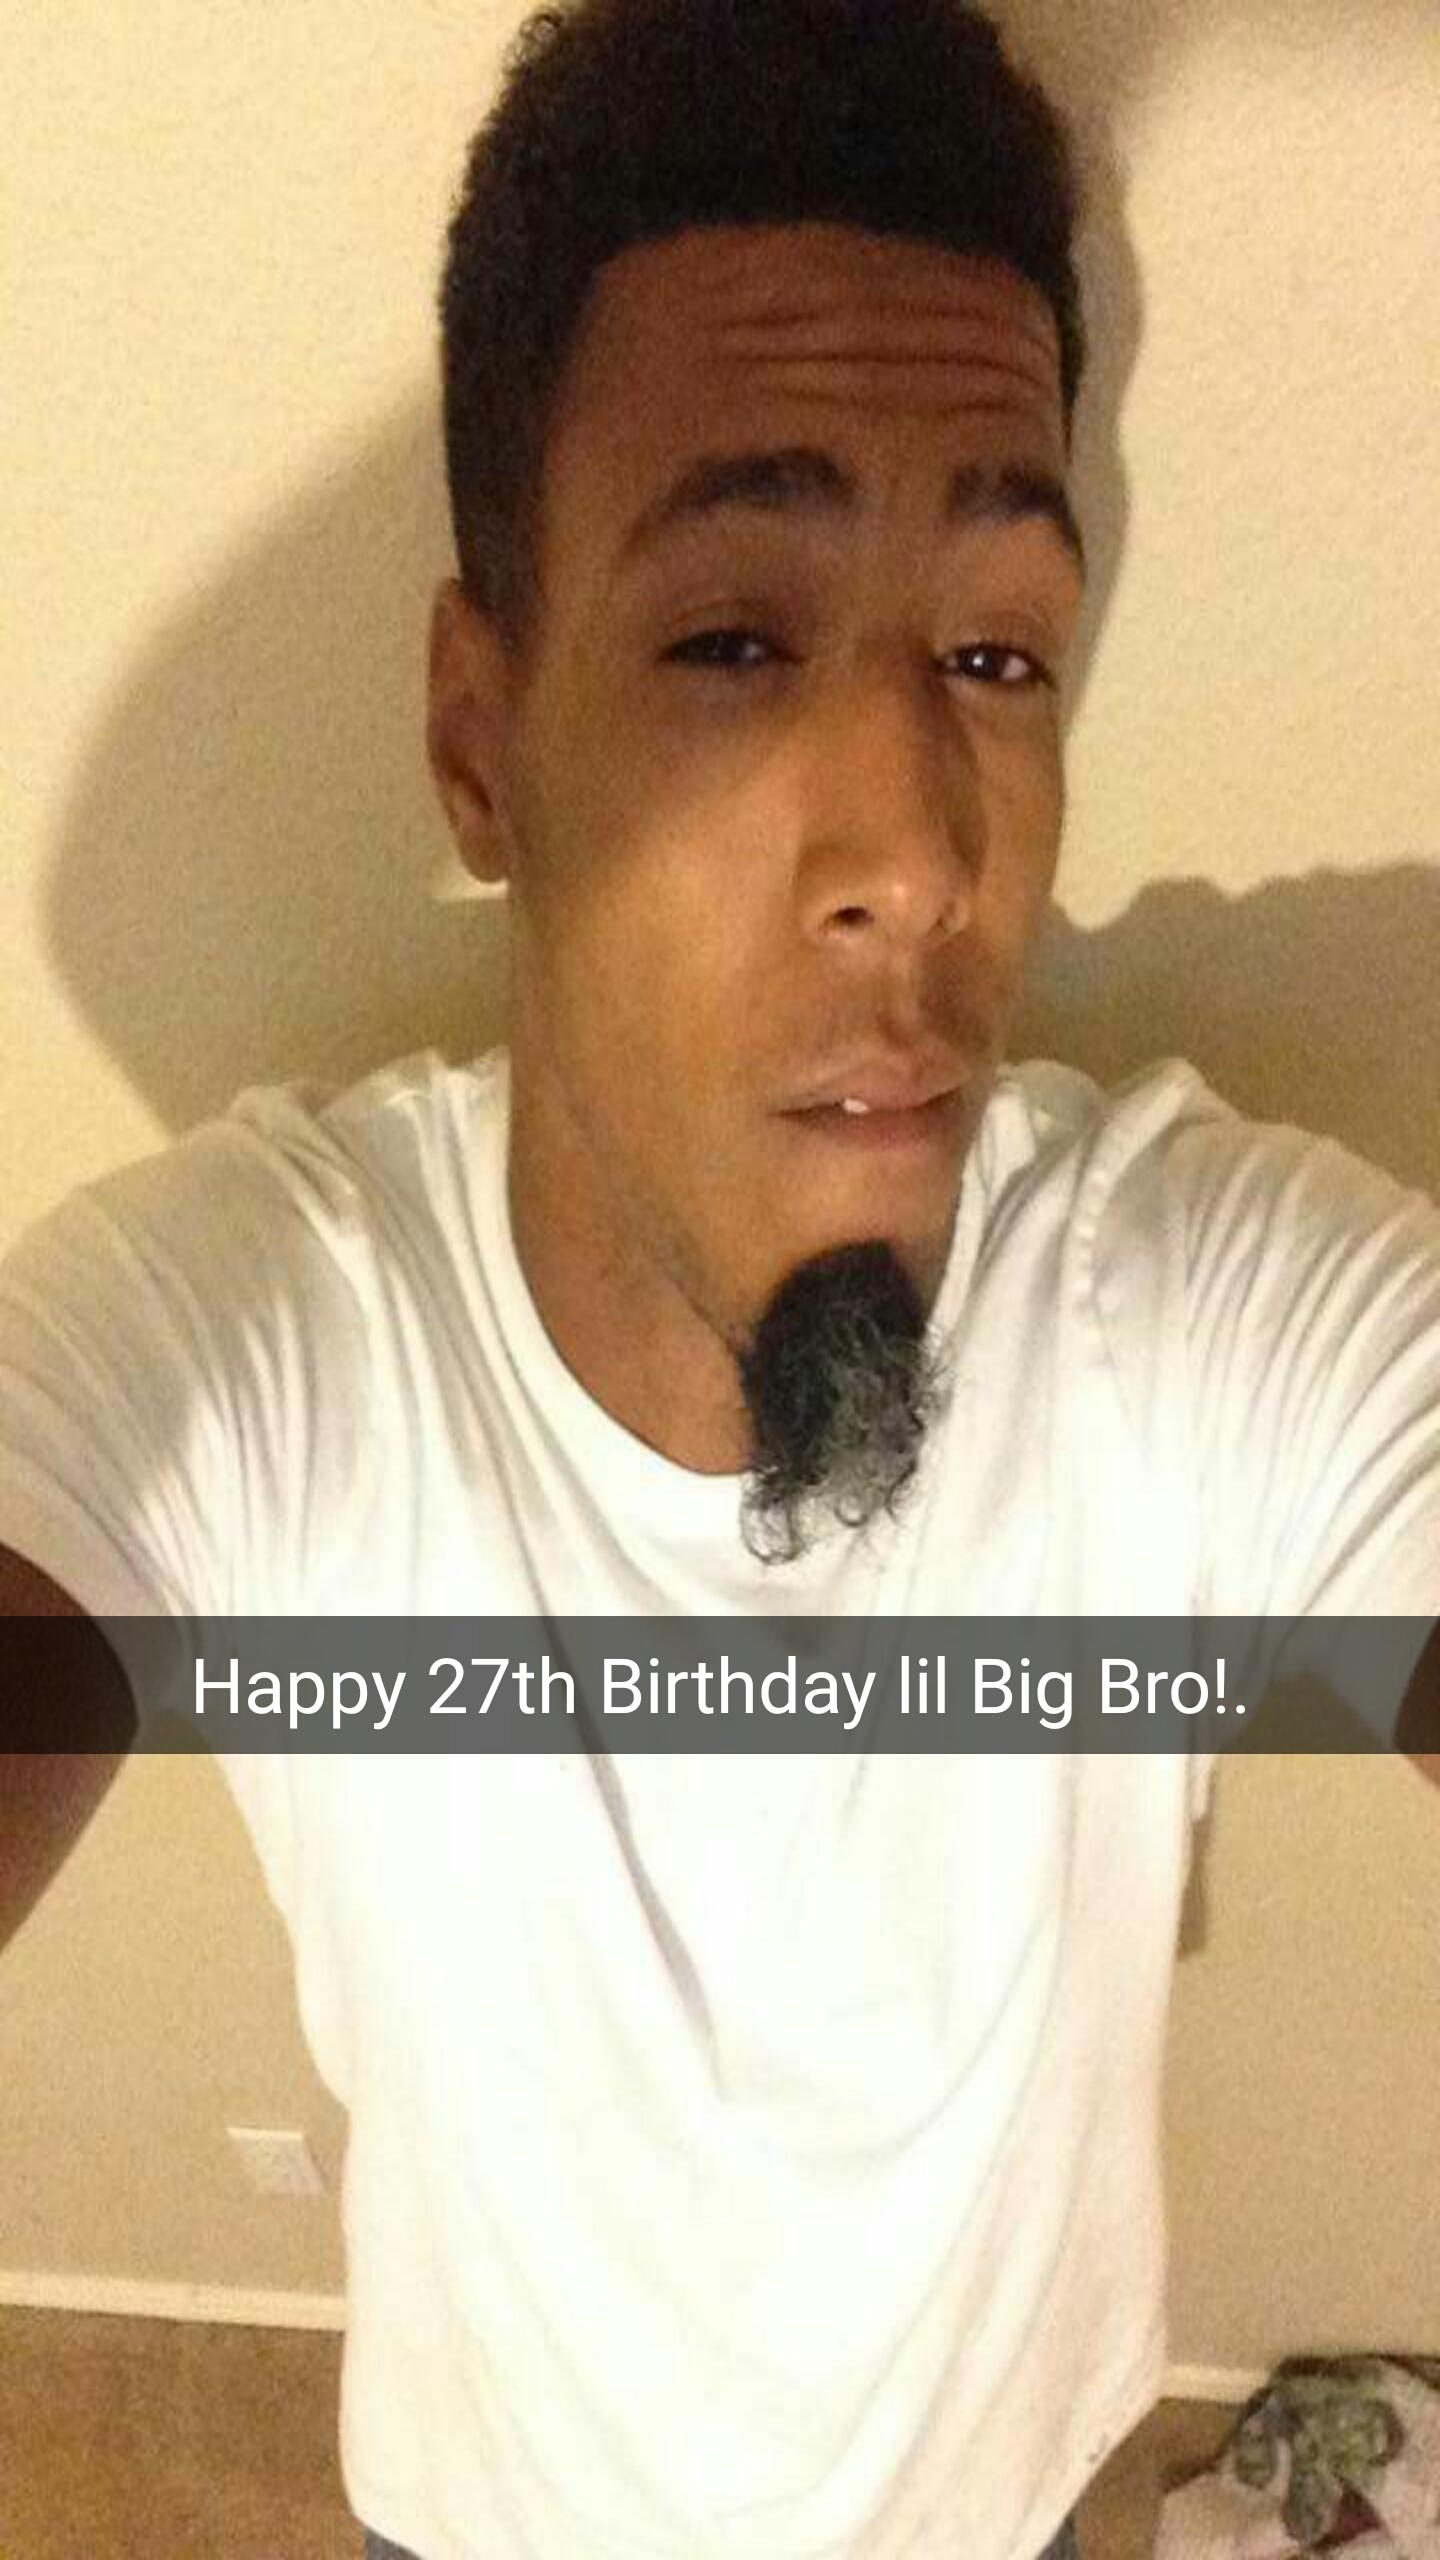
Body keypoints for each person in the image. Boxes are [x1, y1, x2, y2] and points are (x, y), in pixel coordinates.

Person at [1, 0, 1437, 2554]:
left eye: (994, 652)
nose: (919, 849)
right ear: (481, 743)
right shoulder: (270, 1337)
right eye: (732, 642)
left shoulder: (1196, 1307)